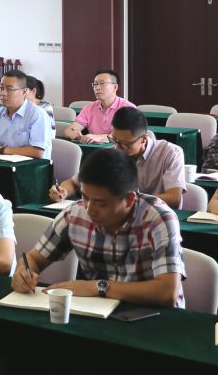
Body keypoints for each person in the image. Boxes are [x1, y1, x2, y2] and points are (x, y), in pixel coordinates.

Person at [14, 148, 185, 307]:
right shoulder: (74, 214)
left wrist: (98, 287)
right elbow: (34, 259)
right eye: (85, 197)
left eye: (100, 203)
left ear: (129, 200)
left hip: (151, 315)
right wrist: (23, 272)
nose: (89, 209)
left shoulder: (159, 219)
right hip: (97, 310)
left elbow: (167, 292)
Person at [50, 106, 183, 208]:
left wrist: (126, 200)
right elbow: (74, 183)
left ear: (143, 139)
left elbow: (174, 198)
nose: (118, 148)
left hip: (156, 218)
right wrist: (63, 191)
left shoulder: (170, 153)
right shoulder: (109, 154)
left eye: (125, 144)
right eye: (114, 140)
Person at [0, 69, 49, 159]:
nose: (3, 93)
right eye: (1, 88)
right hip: (2, 163)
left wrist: (3, 150)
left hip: (31, 166)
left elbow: (38, 152)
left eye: (9, 89)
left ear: (24, 91)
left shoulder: (37, 114)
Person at [63, 70, 135, 143]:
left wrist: (99, 137)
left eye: (102, 83)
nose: (97, 88)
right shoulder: (89, 108)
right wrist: (75, 134)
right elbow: (69, 130)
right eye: (95, 84)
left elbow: (126, 135)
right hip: (93, 148)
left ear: (115, 87)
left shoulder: (128, 108)